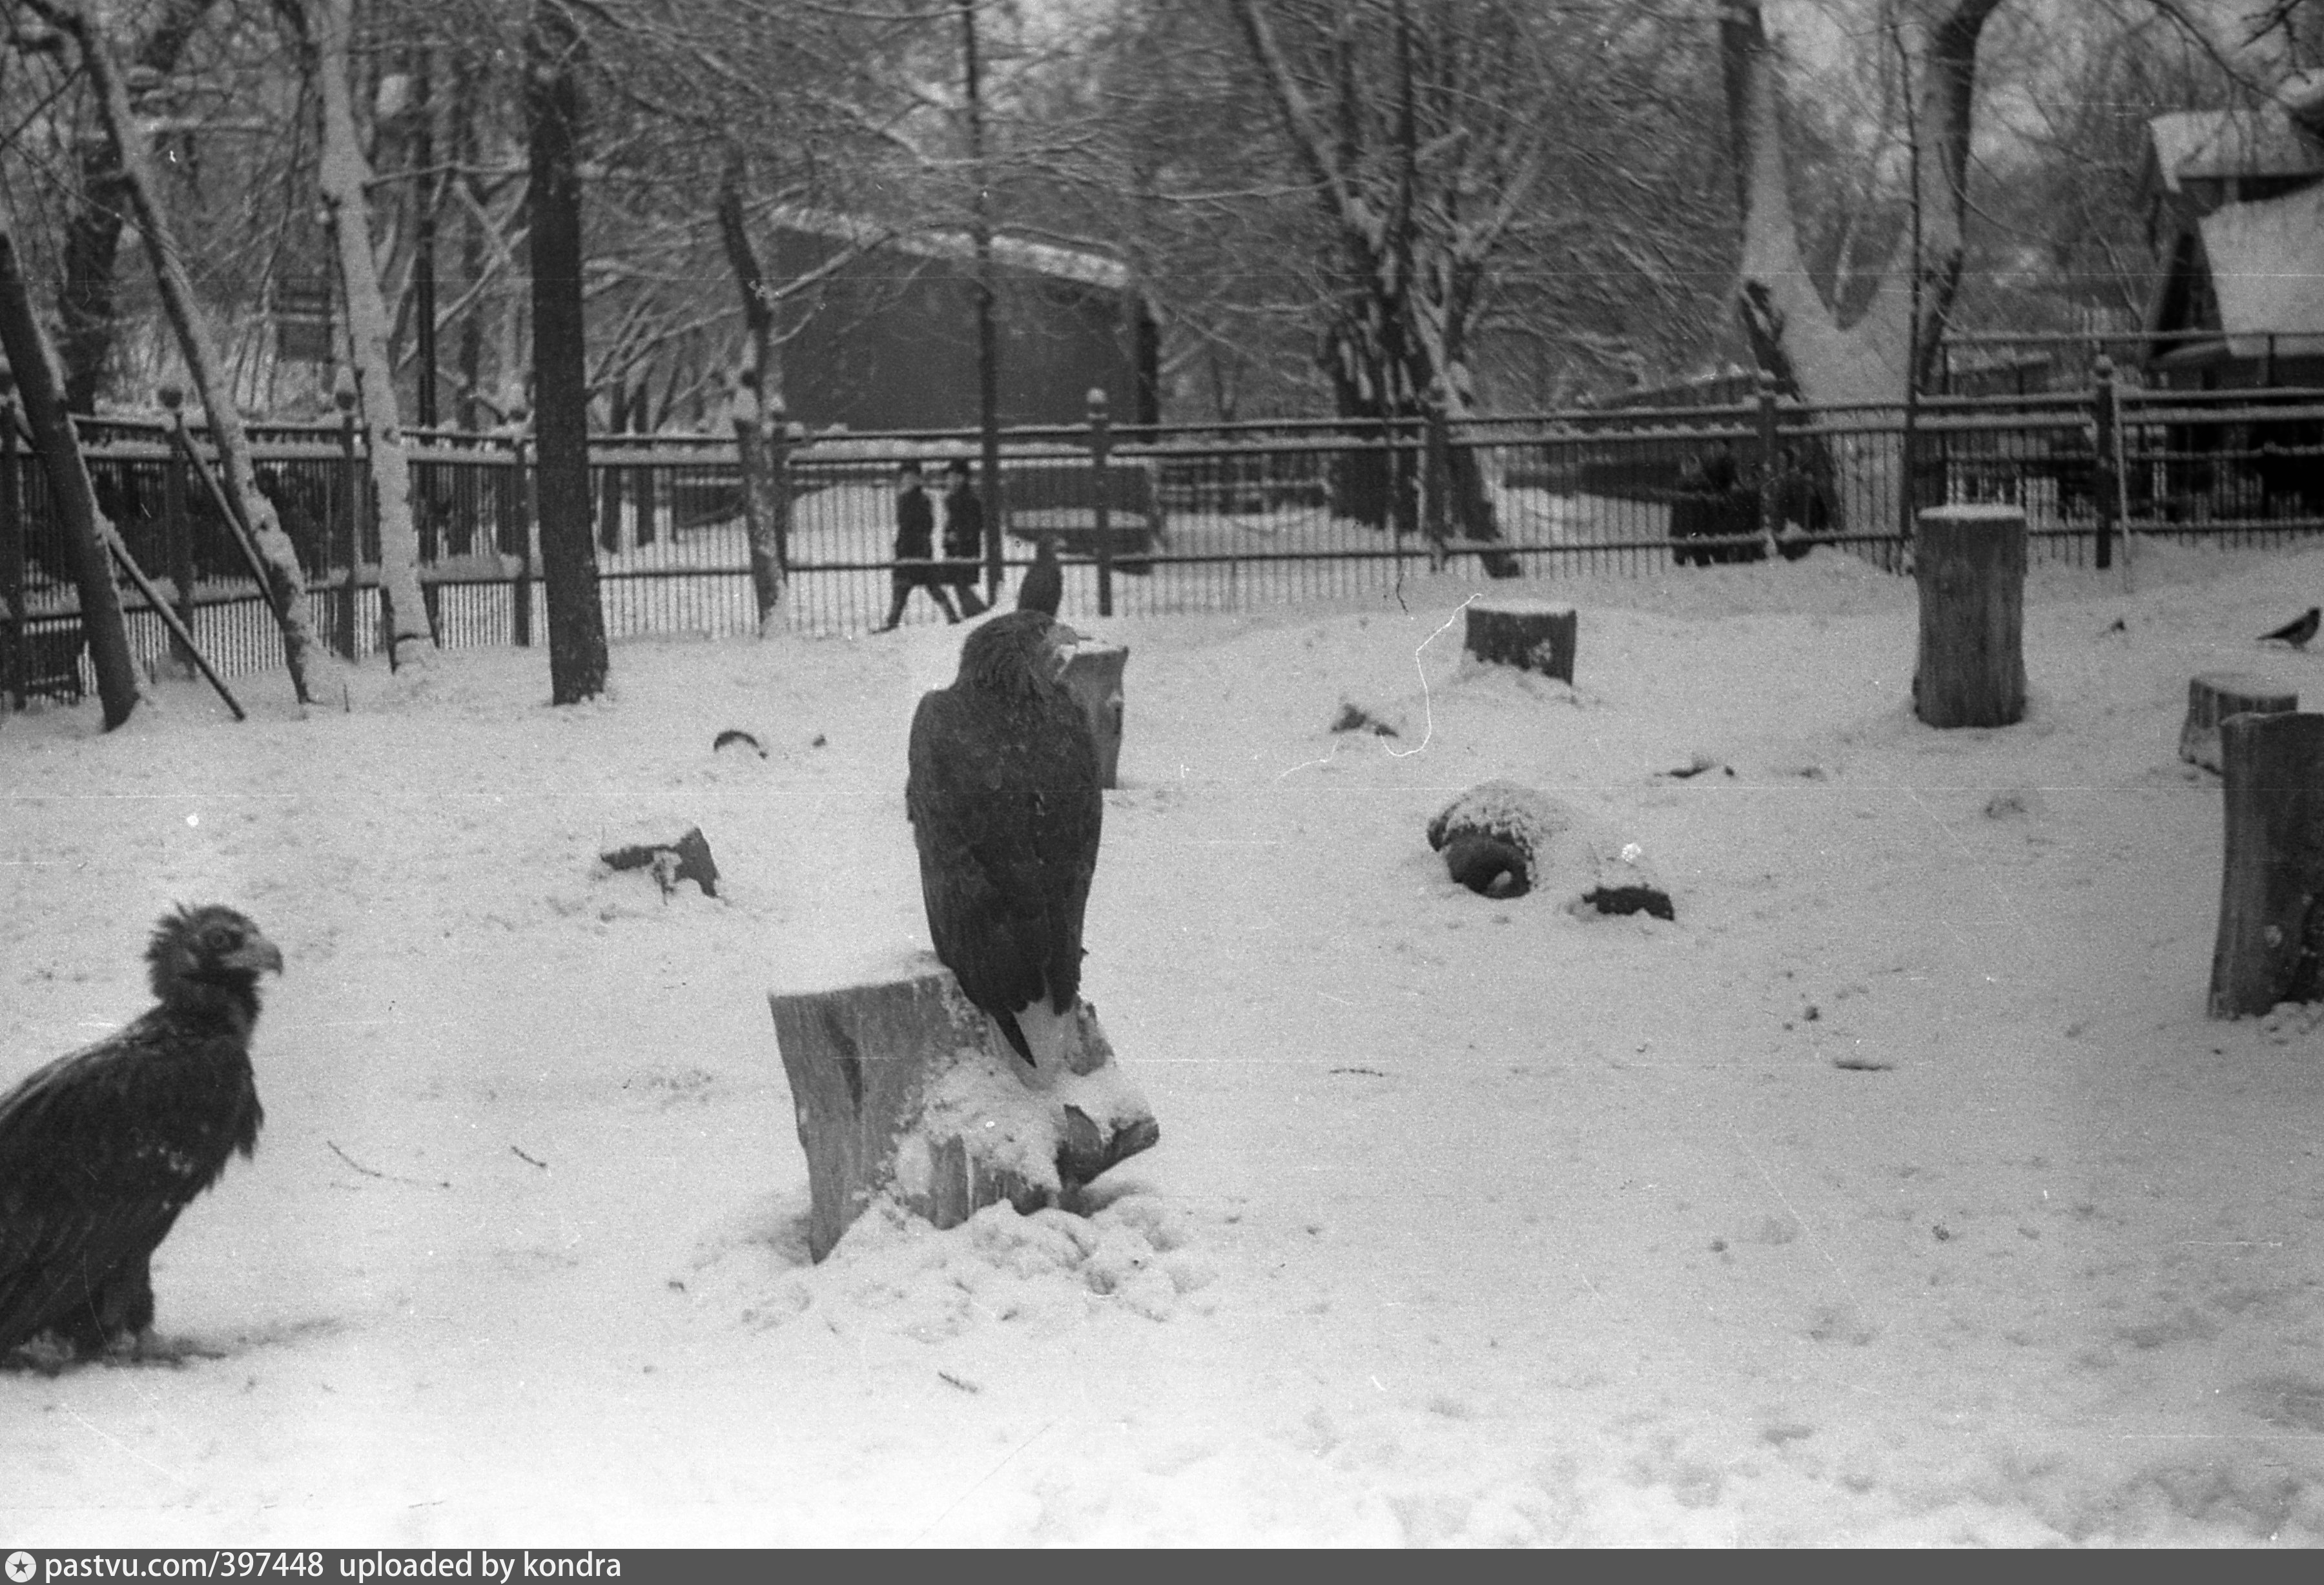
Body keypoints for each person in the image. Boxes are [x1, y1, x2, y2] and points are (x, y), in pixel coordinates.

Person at [875, 460, 959, 631]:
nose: (909, 480)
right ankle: (951, 616)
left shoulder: (918, 499)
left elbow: (923, 524)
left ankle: (893, 622)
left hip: (916, 548)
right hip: (911, 548)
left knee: (918, 586)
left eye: (912, 477)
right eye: (906, 477)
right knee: (910, 588)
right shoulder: (906, 498)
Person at [941, 457, 989, 617]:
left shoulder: (968, 499)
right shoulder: (954, 498)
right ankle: (975, 615)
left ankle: (980, 615)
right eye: (949, 477)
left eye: (954, 476)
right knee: (960, 586)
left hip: (965, 549)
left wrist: (957, 536)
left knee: (961, 585)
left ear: (963, 478)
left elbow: (975, 525)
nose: (950, 480)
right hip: (958, 548)